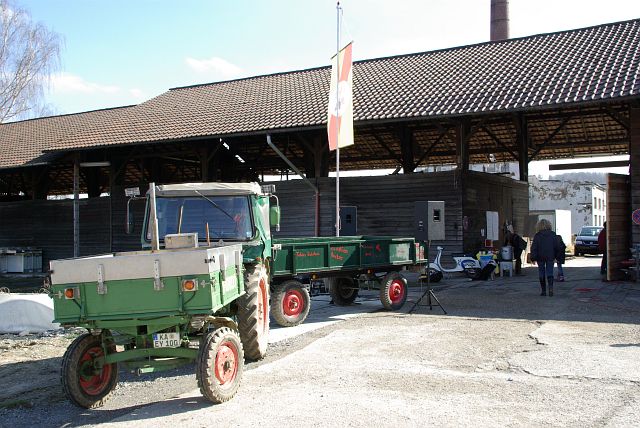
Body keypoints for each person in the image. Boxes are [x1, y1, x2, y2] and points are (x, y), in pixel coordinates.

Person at [530, 219, 559, 297]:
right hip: (550, 256)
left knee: (541, 272)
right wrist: (557, 257)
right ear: (549, 225)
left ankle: (543, 291)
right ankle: (550, 289)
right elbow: (556, 247)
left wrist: (533, 258)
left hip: (540, 257)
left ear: (538, 226)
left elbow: (534, 248)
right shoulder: (553, 234)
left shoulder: (537, 236)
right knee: (550, 272)